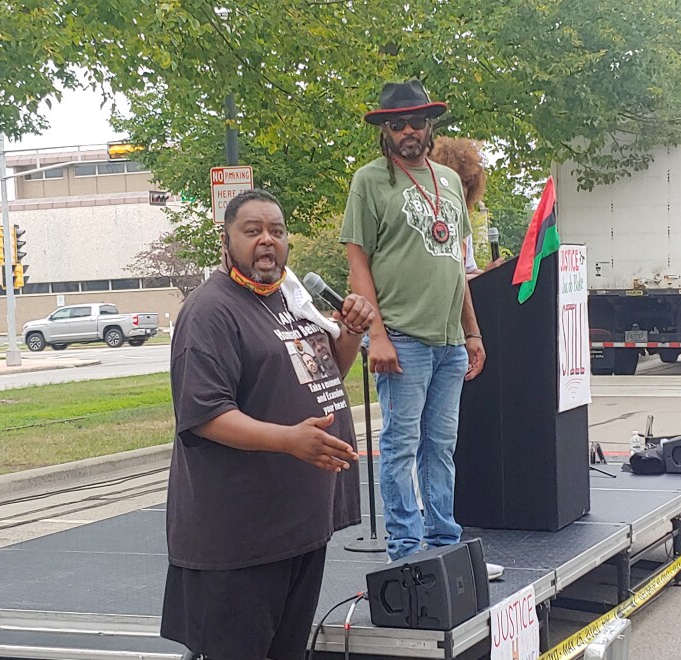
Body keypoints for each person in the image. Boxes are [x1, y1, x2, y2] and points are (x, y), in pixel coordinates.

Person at [161, 188, 375, 660]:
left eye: (276, 231)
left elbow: (324, 372)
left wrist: (351, 330)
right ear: (227, 239)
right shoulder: (210, 311)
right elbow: (205, 414)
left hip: (298, 526)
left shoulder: (289, 300)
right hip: (240, 540)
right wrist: (289, 440)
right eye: (252, 230)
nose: (266, 241)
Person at [340, 80, 503, 580]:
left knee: (442, 447)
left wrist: (472, 334)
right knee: (400, 446)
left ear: (430, 125)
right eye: (396, 124)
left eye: (416, 122)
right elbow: (357, 262)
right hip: (403, 337)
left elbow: (457, 264)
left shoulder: (449, 182)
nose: (408, 131)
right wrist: (379, 337)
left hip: (450, 342)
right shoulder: (370, 181)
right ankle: (407, 555)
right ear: (384, 132)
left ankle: (444, 546)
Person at [428, 136, 506, 280]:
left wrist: (490, 273)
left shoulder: (463, 223)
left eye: (467, 183)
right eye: (457, 181)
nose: (463, 189)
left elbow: (468, 271)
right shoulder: (428, 219)